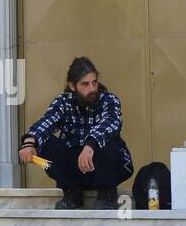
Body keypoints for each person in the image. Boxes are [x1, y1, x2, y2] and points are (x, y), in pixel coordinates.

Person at [18, 57, 134, 210]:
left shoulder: (109, 100)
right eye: (85, 84)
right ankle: (72, 192)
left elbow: (110, 123)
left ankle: (107, 193)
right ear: (72, 86)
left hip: (107, 169)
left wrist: (90, 145)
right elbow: (47, 122)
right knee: (44, 144)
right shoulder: (63, 102)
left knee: (107, 140)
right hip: (76, 172)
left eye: (94, 82)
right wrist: (29, 142)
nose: (92, 88)